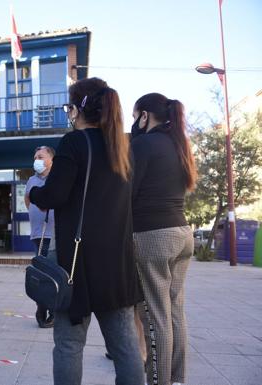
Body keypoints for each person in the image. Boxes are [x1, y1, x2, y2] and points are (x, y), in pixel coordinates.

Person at [29, 77, 144, 385]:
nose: (69, 113)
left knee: (68, 343)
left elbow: (54, 195)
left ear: (79, 109)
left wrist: (35, 193)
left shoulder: (74, 143)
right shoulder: (123, 148)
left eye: (70, 106)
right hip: (117, 261)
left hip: (77, 261)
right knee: (125, 345)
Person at [131, 93, 197, 385]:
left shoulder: (143, 144)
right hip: (182, 234)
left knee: (155, 316)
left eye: (135, 117)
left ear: (145, 115)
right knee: (174, 312)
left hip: (152, 236)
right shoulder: (179, 145)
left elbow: (127, 192)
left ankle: (159, 381)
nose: (134, 123)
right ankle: (177, 379)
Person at [24, 145, 56, 328]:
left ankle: (49, 309)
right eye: (35, 157)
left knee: (49, 272)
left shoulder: (57, 179)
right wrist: (34, 213)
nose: (37, 160)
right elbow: (27, 199)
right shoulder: (31, 180)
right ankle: (42, 306)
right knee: (41, 271)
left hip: (52, 235)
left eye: (40, 156)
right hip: (38, 234)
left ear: (50, 159)